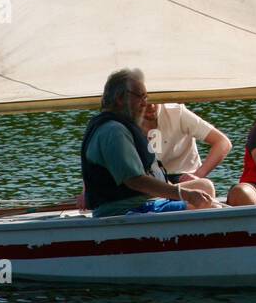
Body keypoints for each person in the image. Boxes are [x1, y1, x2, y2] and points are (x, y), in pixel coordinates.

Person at [81, 68, 214, 216]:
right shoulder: (113, 131)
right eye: (140, 97)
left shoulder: (120, 127)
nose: (145, 104)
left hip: (145, 204)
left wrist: (184, 193)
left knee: (207, 194)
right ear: (120, 98)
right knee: (212, 210)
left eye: (146, 97)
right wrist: (184, 194)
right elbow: (135, 180)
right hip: (126, 211)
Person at [141, 100, 231, 191]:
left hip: (182, 177)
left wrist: (198, 175)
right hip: (145, 180)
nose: (151, 106)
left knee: (205, 186)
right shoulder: (127, 119)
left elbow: (222, 142)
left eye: (154, 100)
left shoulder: (176, 112)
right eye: (143, 102)